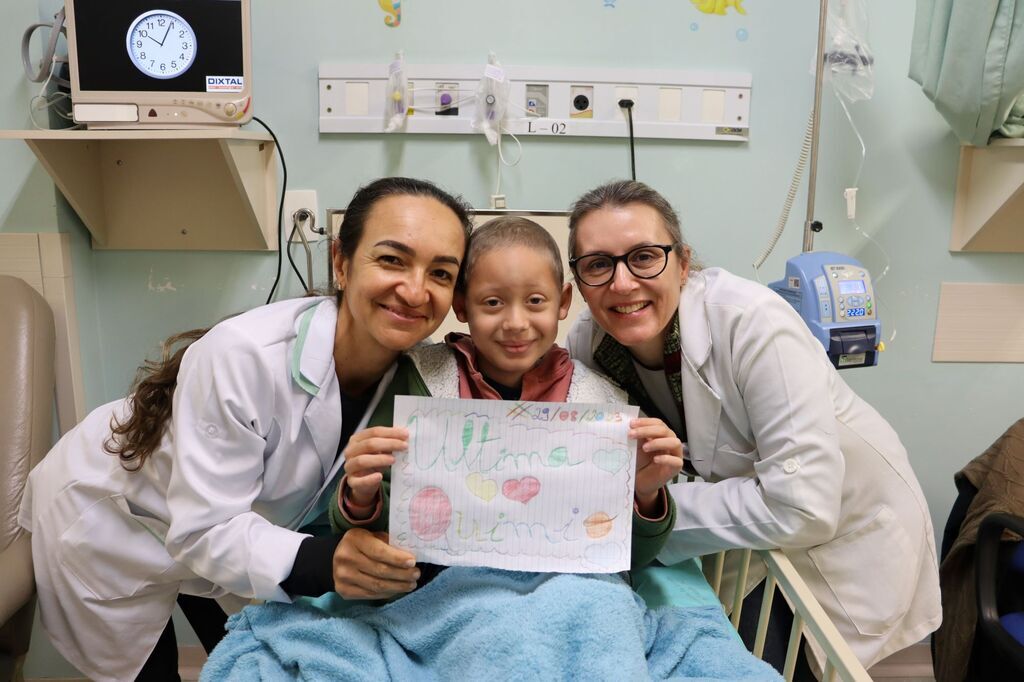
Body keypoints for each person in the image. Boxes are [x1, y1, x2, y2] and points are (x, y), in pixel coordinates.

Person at [17, 177, 473, 681]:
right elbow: (206, 531)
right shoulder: (245, 355)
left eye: (441, 273)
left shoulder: (422, 377)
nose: (414, 290)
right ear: (341, 263)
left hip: (226, 528)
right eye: (391, 259)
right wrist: (327, 561)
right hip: (114, 522)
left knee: (251, 659)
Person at [563, 180, 941, 672]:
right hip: (754, 542)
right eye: (598, 264)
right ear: (577, 281)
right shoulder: (589, 348)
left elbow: (803, 508)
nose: (622, 283)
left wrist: (649, 512)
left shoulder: (753, 322)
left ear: (682, 262)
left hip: (848, 538)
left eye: (644, 256)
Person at [332, 215, 684, 571]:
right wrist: (361, 497)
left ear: (562, 302)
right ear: (461, 305)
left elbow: (631, 557)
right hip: (440, 589)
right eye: (492, 303)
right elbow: (374, 540)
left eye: (534, 301)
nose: (515, 323)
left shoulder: (602, 404)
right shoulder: (417, 381)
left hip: (563, 594)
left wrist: (646, 494)